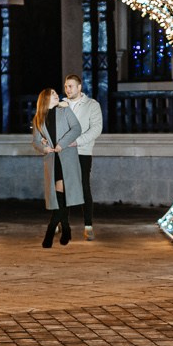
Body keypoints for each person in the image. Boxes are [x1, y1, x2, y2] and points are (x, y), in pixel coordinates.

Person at [31, 88, 86, 247]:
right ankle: (67, 229)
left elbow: (76, 128)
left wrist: (61, 144)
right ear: (45, 98)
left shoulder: (65, 110)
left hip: (66, 158)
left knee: (62, 196)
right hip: (51, 160)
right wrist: (44, 148)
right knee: (59, 198)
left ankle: (50, 233)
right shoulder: (38, 119)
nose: (56, 95)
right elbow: (35, 141)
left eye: (56, 93)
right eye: (52, 93)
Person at [60, 75, 104, 240]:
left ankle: (88, 225)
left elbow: (96, 128)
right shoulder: (60, 105)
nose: (68, 89)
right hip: (63, 151)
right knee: (62, 187)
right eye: (66, 86)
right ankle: (62, 222)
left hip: (82, 152)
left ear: (79, 87)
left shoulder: (92, 105)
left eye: (71, 86)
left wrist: (77, 142)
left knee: (84, 186)